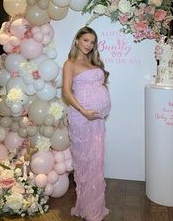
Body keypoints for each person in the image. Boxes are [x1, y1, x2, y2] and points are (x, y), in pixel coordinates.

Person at [63, 26, 111, 221]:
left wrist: (101, 105)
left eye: (92, 42)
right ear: (77, 41)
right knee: (85, 161)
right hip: (80, 117)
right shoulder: (70, 64)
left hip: (97, 120)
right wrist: (84, 111)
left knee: (96, 160)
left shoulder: (95, 62)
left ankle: (95, 207)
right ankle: (86, 207)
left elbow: (99, 87)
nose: (88, 45)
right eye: (85, 41)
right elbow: (67, 92)